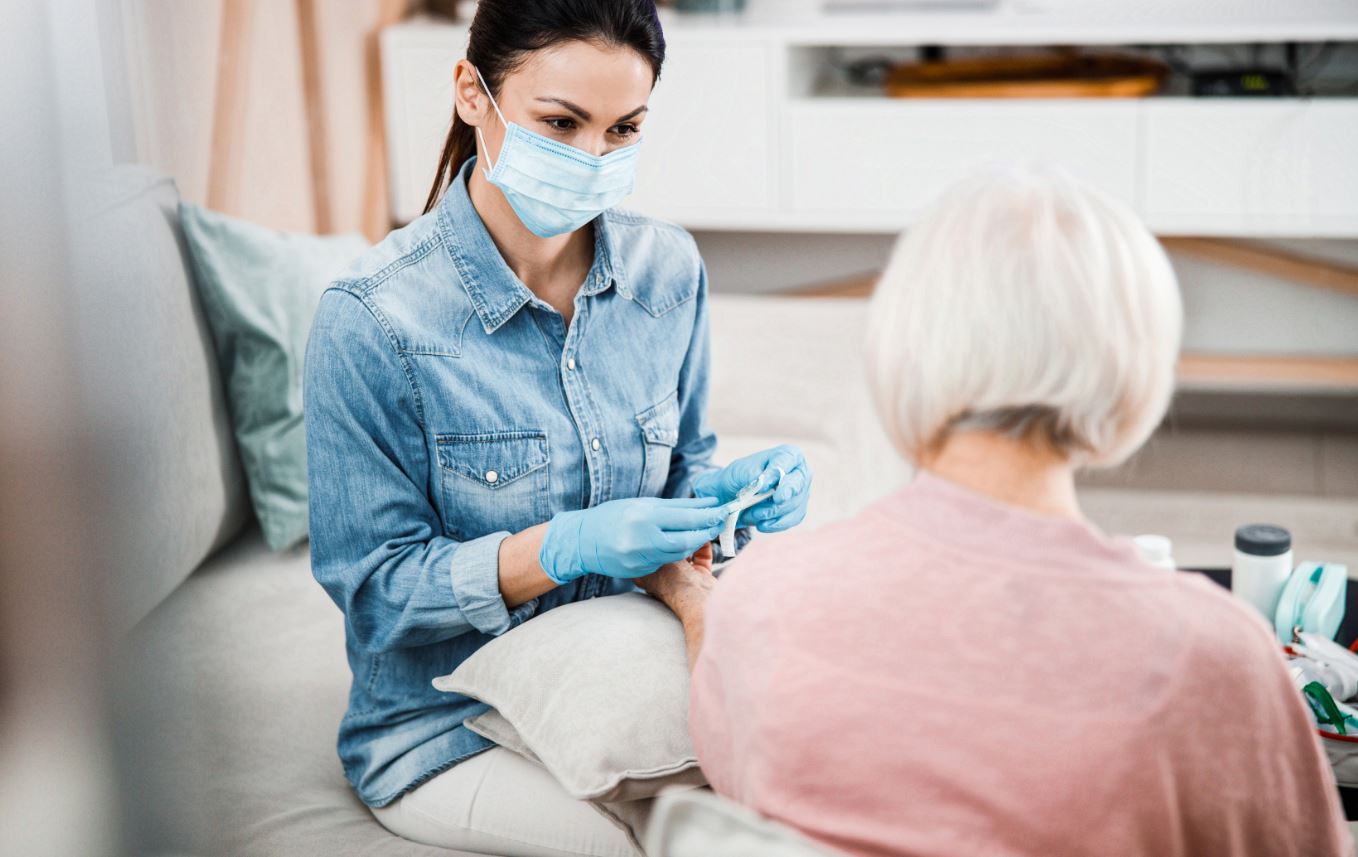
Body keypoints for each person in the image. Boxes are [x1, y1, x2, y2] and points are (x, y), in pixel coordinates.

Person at [638, 168, 1350, 857]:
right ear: (1134, 373)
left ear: (902, 349)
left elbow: (737, 756)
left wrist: (691, 593)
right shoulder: (1211, 654)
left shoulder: (767, 593)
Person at [302, 2, 812, 854]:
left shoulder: (668, 271)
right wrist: (561, 545)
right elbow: (375, 593)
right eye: (560, 123)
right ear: (473, 93)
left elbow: (685, 468)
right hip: (444, 726)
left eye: (623, 129)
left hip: (621, 670)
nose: (591, 159)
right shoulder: (371, 321)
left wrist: (722, 507)